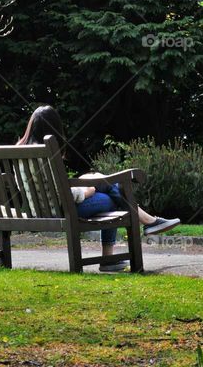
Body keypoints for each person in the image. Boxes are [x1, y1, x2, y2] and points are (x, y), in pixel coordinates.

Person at [16, 105, 180, 272]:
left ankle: (147, 223)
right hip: (62, 210)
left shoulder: (20, 152)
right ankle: (133, 236)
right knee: (111, 197)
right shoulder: (46, 153)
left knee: (101, 182)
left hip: (41, 211)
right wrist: (87, 191)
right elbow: (62, 194)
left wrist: (85, 183)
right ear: (55, 127)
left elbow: (44, 188)